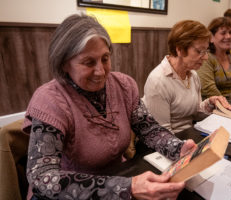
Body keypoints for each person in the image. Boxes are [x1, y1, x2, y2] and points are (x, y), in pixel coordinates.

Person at [23, 14, 196, 200]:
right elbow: (42, 176)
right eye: (89, 62)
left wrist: (178, 148)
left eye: (105, 59)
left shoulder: (124, 86)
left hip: (119, 177)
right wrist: (125, 188)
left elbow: (149, 129)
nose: (100, 71)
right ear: (64, 63)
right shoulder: (50, 100)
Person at [142, 20, 231, 134]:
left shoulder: (192, 74)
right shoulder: (158, 81)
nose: (205, 57)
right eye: (200, 51)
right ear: (179, 49)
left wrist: (210, 104)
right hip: (169, 142)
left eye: (206, 51)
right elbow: (161, 135)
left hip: (188, 135)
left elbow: (195, 112)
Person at [197, 17, 231, 106]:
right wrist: (228, 106)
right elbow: (208, 88)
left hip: (230, 105)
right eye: (223, 33)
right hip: (211, 107)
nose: (228, 36)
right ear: (211, 37)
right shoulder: (206, 57)